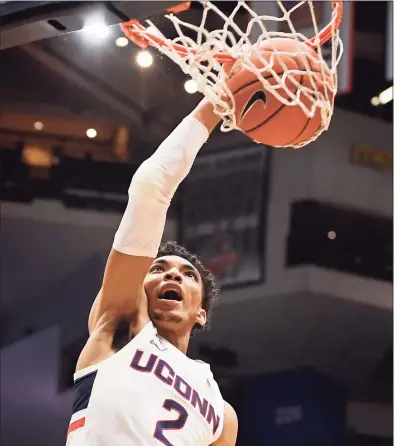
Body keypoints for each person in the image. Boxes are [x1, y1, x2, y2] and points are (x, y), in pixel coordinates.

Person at [66, 99, 238, 446]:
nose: (172, 275)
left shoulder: (222, 415)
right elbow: (150, 187)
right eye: (158, 269)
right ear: (139, 292)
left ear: (201, 313)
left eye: (188, 275)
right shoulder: (119, 327)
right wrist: (220, 99)